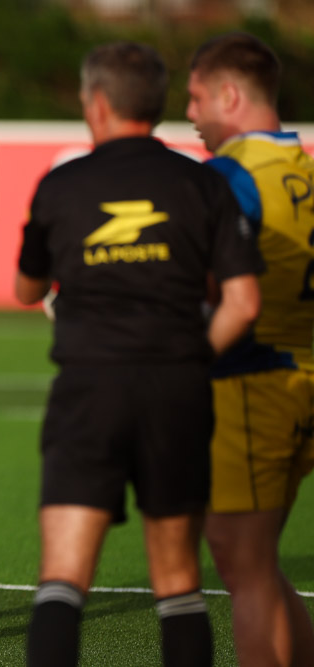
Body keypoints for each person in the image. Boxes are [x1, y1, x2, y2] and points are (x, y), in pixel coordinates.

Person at [16, 42, 263, 667]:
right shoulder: (203, 182)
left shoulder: (61, 184)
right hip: (176, 390)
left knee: (63, 579)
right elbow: (244, 303)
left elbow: (26, 289)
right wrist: (189, 353)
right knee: (178, 580)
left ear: (97, 103)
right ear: (154, 106)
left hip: (88, 390)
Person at [186, 32, 314, 667]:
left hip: (254, 379)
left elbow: (212, 286)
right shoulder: (307, 169)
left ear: (230, 95)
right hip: (305, 377)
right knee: (257, 559)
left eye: (197, 97)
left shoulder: (229, 176)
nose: (190, 113)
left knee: (239, 556)